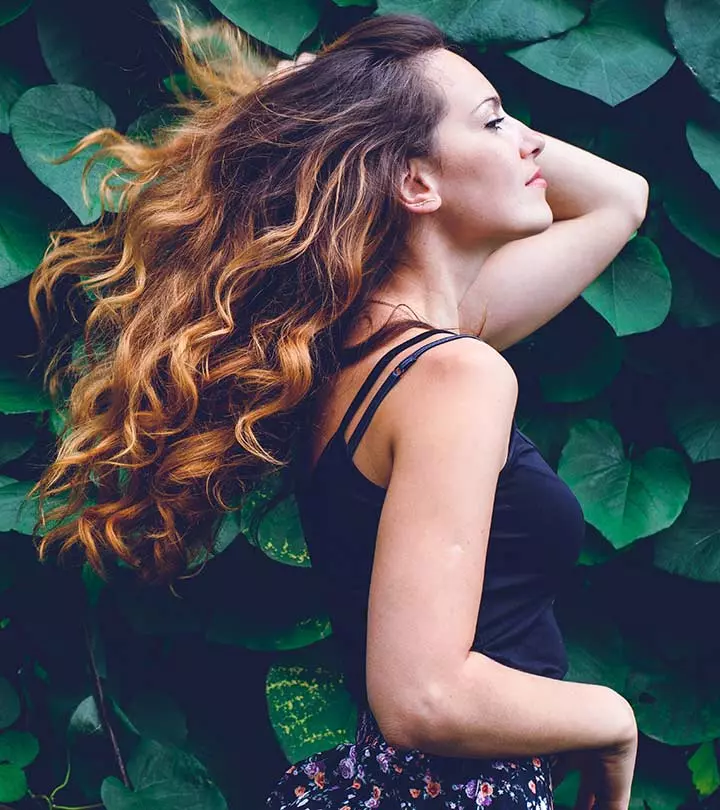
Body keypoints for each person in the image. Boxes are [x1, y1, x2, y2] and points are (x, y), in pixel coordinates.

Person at [28, 12, 648, 810]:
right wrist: (611, 718)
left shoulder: (365, 351)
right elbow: (424, 696)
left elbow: (620, 201)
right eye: (496, 122)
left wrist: (364, 97)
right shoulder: (452, 373)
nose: (529, 142)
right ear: (415, 184)